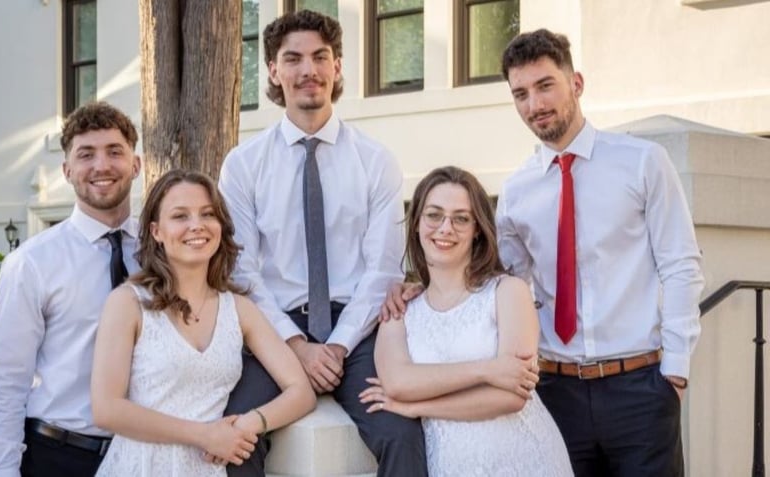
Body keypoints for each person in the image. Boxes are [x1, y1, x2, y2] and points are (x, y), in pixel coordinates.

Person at [383, 29, 705, 476]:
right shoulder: (517, 189)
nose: (534, 105)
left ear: (576, 83)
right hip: (556, 390)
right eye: (520, 94)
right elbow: (490, 278)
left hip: (639, 386)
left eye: (545, 86)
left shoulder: (643, 163)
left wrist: (675, 372)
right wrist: (421, 284)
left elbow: (681, 265)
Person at [218, 10, 427, 477]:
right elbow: (242, 272)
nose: (307, 70)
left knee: (400, 434)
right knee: (236, 434)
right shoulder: (243, 165)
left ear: (337, 67)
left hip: (356, 330)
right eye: (292, 59)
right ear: (273, 70)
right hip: (274, 330)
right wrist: (295, 345)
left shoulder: (375, 161)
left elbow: (383, 271)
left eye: (320, 57)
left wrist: (336, 346)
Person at [90, 169, 315, 476]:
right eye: (180, 216)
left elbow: (301, 391)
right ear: (156, 231)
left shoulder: (239, 308)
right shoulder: (127, 303)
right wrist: (203, 435)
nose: (196, 225)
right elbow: (106, 409)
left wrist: (249, 423)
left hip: (207, 469)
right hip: (139, 467)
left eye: (208, 214)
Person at [361, 166, 572, 477]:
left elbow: (511, 396)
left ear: (477, 229)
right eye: (434, 215)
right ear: (417, 222)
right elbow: (397, 383)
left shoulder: (508, 291)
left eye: (461, 218)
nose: (446, 228)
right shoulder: (399, 309)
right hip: (450, 464)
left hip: (526, 461)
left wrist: (417, 407)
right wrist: (488, 369)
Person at [0, 102, 142, 476]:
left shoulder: (162, 249)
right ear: (67, 171)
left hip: (147, 456)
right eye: (86, 155)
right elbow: (6, 380)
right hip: (61, 455)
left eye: (115, 151)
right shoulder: (32, 263)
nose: (101, 165)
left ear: (136, 164)